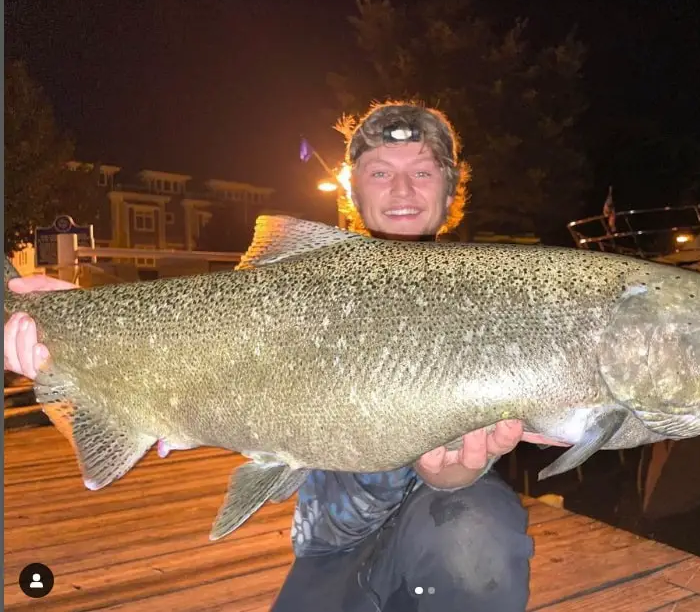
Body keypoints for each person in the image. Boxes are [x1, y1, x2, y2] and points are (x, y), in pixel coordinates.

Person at [4, 101, 535, 611]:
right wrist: (63, 326)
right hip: (333, 553)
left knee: (477, 532)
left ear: (451, 190)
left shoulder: (495, 297)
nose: (401, 189)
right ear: (352, 189)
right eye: (379, 172)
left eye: (421, 173)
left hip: (442, 540)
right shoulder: (307, 288)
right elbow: (334, 527)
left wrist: (451, 477)